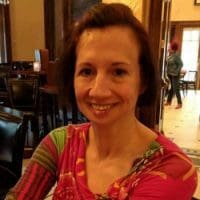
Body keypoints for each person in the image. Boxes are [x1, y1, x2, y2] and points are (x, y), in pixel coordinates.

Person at [6, 3, 197, 200]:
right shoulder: (60, 143)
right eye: (87, 71)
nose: (98, 90)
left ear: (143, 81)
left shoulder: (171, 168)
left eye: (118, 72)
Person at [165, 41, 183, 109]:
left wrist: (176, 72)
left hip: (175, 75)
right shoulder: (170, 56)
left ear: (173, 49)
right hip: (170, 74)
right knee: (172, 89)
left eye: (169, 47)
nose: (168, 48)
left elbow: (181, 64)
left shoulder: (176, 56)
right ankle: (169, 101)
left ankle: (180, 103)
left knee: (176, 89)